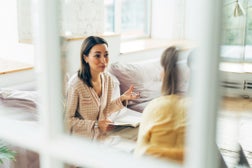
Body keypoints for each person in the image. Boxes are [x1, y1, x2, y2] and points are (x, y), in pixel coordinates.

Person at [65, 36, 140, 140]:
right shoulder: (75, 84)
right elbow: (67, 121)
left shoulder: (108, 79)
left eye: (106, 55)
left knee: (139, 134)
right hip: (83, 140)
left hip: (102, 136)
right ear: (85, 57)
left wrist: (122, 98)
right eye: (97, 56)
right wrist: (96, 125)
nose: (103, 60)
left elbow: (105, 110)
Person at [134, 46, 191, 163]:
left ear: (167, 73)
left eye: (163, 69)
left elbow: (140, 153)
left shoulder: (154, 107)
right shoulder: (200, 109)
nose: (160, 75)